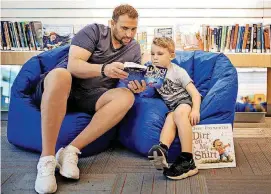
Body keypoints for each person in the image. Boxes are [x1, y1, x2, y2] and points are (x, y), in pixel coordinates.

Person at [34, 4, 146, 194]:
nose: (129, 34)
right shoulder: (94, 32)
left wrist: (137, 86)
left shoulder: (134, 48)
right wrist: (104, 68)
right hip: (62, 86)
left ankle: (70, 151)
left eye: (133, 29)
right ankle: (47, 159)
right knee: (61, 75)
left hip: (92, 96)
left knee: (126, 97)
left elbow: (129, 79)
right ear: (112, 23)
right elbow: (73, 66)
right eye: (124, 28)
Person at [147, 37, 201, 180]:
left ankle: (188, 159)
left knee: (178, 114)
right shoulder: (152, 72)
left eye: (160, 54)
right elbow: (147, 91)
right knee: (170, 118)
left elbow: (195, 94)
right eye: (152, 54)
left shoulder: (178, 72)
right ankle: (162, 149)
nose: (155, 58)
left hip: (184, 102)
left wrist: (195, 110)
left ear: (171, 55)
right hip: (172, 107)